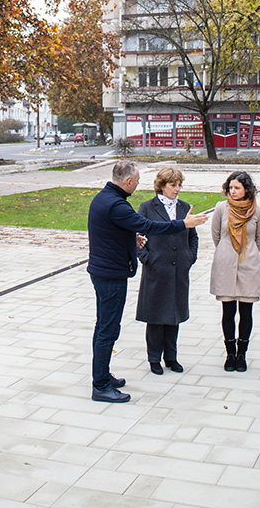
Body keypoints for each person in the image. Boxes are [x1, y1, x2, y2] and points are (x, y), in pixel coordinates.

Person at [87, 160, 208, 403]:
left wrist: (133, 240)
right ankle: (100, 385)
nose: (139, 185)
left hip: (105, 271)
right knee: (107, 330)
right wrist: (183, 224)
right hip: (110, 275)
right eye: (137, 181)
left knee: (106, 328)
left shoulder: (104, 198)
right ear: (128, 182)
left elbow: (114, 232)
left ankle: (103, 375)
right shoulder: (117, 205)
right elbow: (149, 225)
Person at [136, 167, 199, 374]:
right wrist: (148, 259)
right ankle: (154, 358)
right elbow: (137, 237)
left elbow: (193, 236)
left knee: (174, 315)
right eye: (173, 185)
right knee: (156, 317)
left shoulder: (184, 207)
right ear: (161, 186)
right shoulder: (147, 207)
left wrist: (189, 257)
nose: (177, 189)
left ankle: (171, 357)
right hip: (157, 269)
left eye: (180, 185)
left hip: (179, 269)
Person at [209, 171, 260, 373]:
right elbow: (216, 235)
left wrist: (246, 252)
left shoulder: (258, 210)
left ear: (246, 190)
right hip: (225, 263)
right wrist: (227, 252)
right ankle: (229, 353)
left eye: (237, 188)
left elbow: (259, 239)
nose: (232, 192)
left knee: (246, 311)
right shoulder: (220, 208)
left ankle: (242, 353)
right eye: (230, 188)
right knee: (228, 311)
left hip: (248, 264)